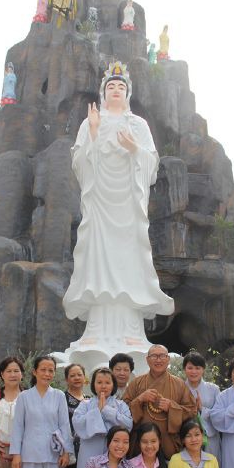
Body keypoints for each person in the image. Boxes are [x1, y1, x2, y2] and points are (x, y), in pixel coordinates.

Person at [62, 61, 174, 370]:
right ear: (103, 92)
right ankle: (96, 328)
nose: (115, 90)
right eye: (110, 86)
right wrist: (93, 132)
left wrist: (135, 149)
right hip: (100, 201)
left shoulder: (138, 125)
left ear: (128, 93)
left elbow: (151, 163)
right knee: (97, 254)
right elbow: (79, 163)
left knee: (129, 257)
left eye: (120, 86)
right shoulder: (91, 122)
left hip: (128, 202)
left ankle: (131, 331)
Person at [72, 367, 133, 468]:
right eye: (99, 382)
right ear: (93, 384)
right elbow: (77, 424)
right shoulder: (85, 404)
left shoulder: (121, 405)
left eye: (107, 382)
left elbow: (128, 424)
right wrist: (96, 412)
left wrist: (106, 411)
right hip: (89, 449)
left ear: (113, 385)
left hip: (114, 453)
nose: (103, 386)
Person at [122, 345, 197, 459]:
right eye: (154, 356)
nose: (158, 360)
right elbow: (122, 411)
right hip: (140, 443)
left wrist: (172, 408)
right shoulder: (136, 383)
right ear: (147, 360)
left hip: (168, 442)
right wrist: (140, 399)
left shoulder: (179, 384)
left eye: (162, 356)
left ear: (168, 359)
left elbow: (192, 411)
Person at [182, 351, 221, 464]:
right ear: (184, 369)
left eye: (197, 368)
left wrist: (201, 410)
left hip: (210, 438)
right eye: (190, 368)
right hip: (187, 438)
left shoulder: (213, 389)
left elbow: (219, 415)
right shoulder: (179, 388)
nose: (194, 371)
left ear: (203, 369)